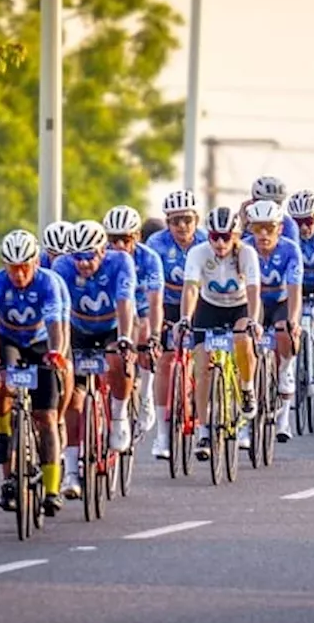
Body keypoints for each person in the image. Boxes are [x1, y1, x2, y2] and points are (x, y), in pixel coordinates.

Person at [0, 230, 70, 515]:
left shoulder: (48, 283)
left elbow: (56, 326)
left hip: (40, 342)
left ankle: (52, 488)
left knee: (46, 417)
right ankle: (2, 438)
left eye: (25, 267)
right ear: (3, 264)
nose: (19, 274)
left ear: (35, 262)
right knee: (3, 384)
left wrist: (56, 353)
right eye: (12, 267)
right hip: (8, 340)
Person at [52, 220, 137, 497]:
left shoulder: (120, 261)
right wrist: (60, 352)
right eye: (78, 257)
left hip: (112, 326)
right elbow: (59, 313)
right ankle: (73, 473)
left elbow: (125, 301)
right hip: (77, 329)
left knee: (118, 362)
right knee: (73, 399)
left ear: (103, 250)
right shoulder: (62, 267)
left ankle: (119, 416)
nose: (84, 264)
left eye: (89, 256)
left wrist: (125, 338)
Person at [178, 206, 263, 456]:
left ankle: (247, 389)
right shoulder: (198, 253)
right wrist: (185, 317)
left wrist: (253, 320)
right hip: (210, 306)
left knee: (242, 341)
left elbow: (253, 290)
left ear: (235, 236)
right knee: (202, 366)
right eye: (214, 236)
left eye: (226, 237)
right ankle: (204, 430)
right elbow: (191, 288)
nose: (219, 242)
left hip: (240, 307)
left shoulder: (247, 254)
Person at [146, 190, 206, 459]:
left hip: (201, 302)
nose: (181, 226)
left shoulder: (206, 242)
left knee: (204, 358)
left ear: (197, 220)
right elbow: (152, 285)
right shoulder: (156, 244)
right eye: (175, 221)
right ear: (167, 222)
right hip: (167, 303)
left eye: (187, 220)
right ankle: (161, 433)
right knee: (166, 361)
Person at [103, 205, 165, 442]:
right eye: (113, 240)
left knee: (144, 332)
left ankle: (146, 394)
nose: (119, 246)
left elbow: (156, 301)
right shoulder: (102, 258)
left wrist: (155, 335)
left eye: (125, 240)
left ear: (137, 237)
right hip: (112, 308)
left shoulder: (149, 259)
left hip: (141, 306)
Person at [245, 199, 303, 442]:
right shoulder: (244, 249)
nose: (264, 234)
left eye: (269, 227)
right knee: (245, 341)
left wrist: (293, 322)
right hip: (253, 301)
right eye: (258, 228)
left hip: (279, 301)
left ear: (280, 228)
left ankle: (283, 417)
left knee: (283, 331)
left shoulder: (290, 249)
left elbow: (294, 291)